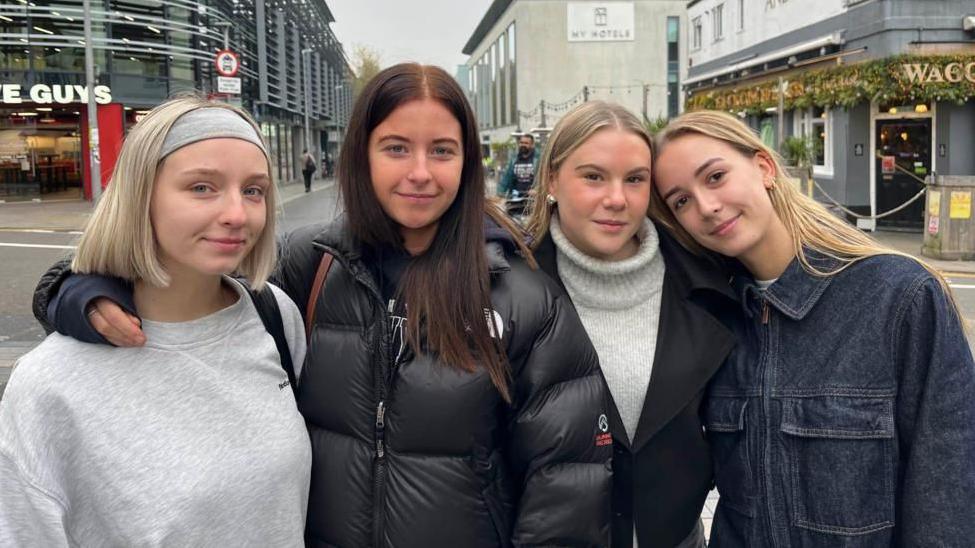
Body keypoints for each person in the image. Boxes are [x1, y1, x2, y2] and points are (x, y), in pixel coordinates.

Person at [32, 64, 612, 547]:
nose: (419, 172)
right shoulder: (308, 265)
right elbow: (173, 262)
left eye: (442, 150)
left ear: (467, 163)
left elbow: (567, 486)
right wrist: (76, 290)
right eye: (395, 148)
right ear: (361, 155)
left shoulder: (520, 294)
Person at [650, 110, 975, 546]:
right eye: (681, 201)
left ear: (764, 167)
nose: (706, 207)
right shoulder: (709, 318)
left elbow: (947, 499)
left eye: (715, 177)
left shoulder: (900, 296)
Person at [1, 97, 310, 545]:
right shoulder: (51, 384)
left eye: (253, 190)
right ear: (140, 195)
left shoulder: (275, 316)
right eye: (202, 187)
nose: (237, 214)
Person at [524, 100, 736, 547]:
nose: (616, 199)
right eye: (594, 176)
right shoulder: (507, 288)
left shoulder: (709, 279)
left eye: (635, 179)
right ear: (552, 180)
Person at [497, 133, 539, 198]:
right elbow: (506, 178)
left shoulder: (538, 159)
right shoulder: (514, 159)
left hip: (532, 198)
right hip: (515, 197)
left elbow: (544, 178)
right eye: (521, 142)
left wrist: (538, 190)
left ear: (532, 145)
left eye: (526, 143)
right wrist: (500, 193)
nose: (523, 145)